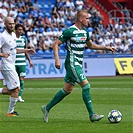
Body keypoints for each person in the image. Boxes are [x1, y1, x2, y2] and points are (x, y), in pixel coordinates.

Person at [41, 10, 116, 123]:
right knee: (86, 86)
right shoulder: (70, 31)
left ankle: (46, 108)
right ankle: (92, 115)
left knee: (67, 90)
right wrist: (57, 59)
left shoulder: (85, 32)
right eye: (87, 18)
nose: (88, 20)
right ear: (81, 19)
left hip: (78, 62)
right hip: (72, 62)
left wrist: (106, 48)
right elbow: (55, 44)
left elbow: (91, 45)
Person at [0, 17, 35, 116]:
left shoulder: (14, 35)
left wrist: (26, 50)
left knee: (12, 90)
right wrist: (2, 55)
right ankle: (10, 112)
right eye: (9, 24)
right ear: (5, 24)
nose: (11, 25)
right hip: (7, 65)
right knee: (17, 89)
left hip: (11, 64)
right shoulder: (3, 36)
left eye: (13, 23)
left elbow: (15, 50)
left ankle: (10, 111)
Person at [15, 23, 34, 102]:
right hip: (14, 63)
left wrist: (29, 60)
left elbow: (25, 50)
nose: (20, 31)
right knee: (15, 81)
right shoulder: (12, 38)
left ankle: (19, 96)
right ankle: (14, 95)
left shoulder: (23, 39)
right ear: (15, 30)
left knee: (21, 80)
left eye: (21, 30)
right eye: (19, 29)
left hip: (22, 63)